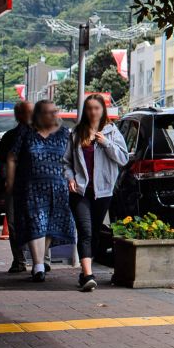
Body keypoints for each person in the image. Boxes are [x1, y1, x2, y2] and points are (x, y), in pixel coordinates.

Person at [5, 99, 75, 283]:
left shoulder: (63, 133)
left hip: (58, 187)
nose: (53, 115)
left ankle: (41, 261)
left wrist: (72, 178)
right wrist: (10, 181)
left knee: (49, 225)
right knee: (36, 223)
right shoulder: (26, 132)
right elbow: (12, 157)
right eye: (47, 112)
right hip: (32, 187)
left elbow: (71, 158)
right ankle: (38, 266)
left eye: (54, 111)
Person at [66, 94, 128, 292]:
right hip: (80, 191)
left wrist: (106, 143)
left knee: (93, 233)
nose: (93, 112)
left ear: (103, 111)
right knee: (84, 230)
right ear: (85, 111)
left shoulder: (112, 133)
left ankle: (84, 273)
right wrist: (70, 178)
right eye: (90, 108)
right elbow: (66, 162)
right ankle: (89, 275)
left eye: (97, 108)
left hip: (102, 192)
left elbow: (123, 158)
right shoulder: (77, 133)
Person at [0, 100, 33, 274]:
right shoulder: (10, 137)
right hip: (15, 185)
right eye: (27, 112)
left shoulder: (42, 135)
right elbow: (3, 162)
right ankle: (19, 260)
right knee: (14, 223)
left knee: (36, 222)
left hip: (36, 186)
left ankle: (41, 261)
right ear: (19, 116)